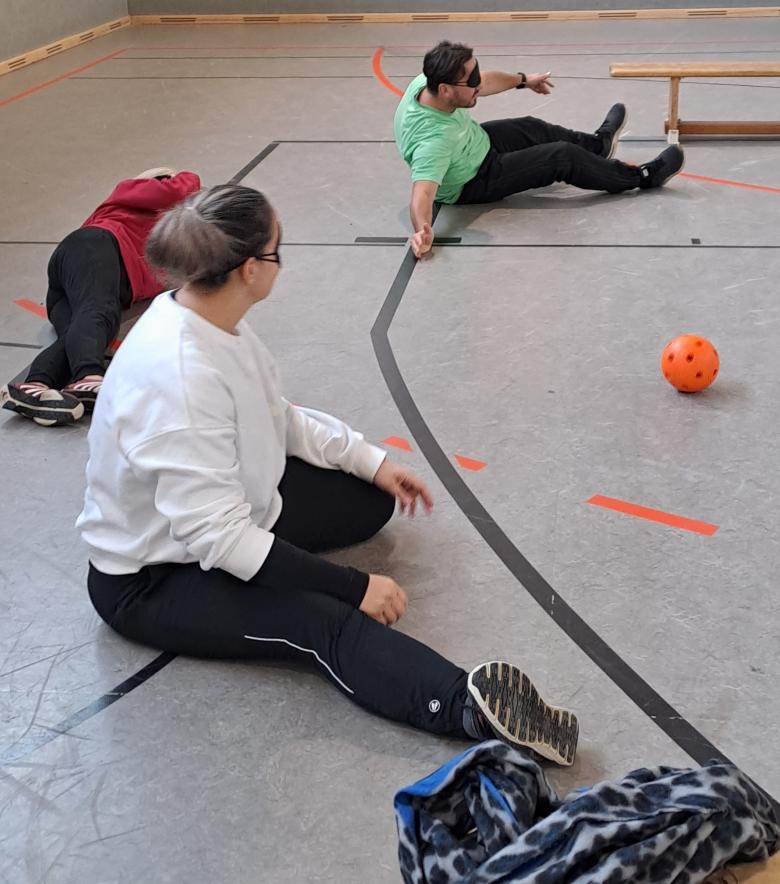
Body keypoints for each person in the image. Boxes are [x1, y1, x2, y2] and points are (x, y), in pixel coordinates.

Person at [77, 183, 579, 766]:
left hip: (229, 509)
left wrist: (373, 462)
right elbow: (221, 540)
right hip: (154, 578)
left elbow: (279, 416)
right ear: (246, 269)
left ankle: (318, 548)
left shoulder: (212, 317)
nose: (282, 262)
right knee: (322, 623)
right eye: (277, 250)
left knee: (369, 501)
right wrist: (355, 588)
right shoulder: (180, 380)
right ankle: (464, 705)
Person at [394, 41, 686, 258]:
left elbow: (486, 82)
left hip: (474, 141)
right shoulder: (432, 141)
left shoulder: (430, 83)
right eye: (470, 81)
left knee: (532, 126)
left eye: (475, 73)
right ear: (445, 89)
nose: (477, 83)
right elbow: (423, 193)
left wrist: (523, 80)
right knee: (561, 156)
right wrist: (422, 231)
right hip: (474, 179)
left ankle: (598, 146)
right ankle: (643, 177)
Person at [1, 168, 201, 426]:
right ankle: (88, 377)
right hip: (95, 246)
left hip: (78, 276)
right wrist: (183, 175)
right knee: (98, 313)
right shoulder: (131, 194)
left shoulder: (165, 244)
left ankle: (33, 387)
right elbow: (180, 189)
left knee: (83, 332)